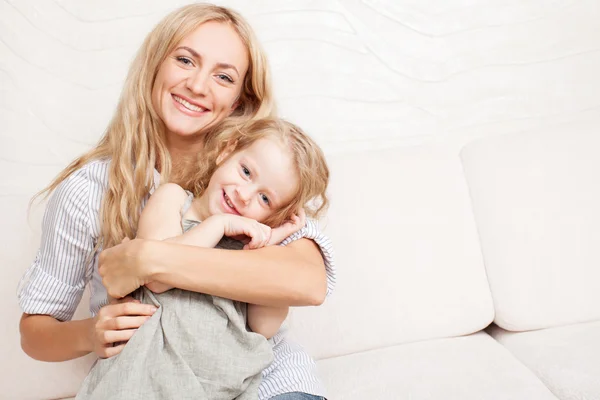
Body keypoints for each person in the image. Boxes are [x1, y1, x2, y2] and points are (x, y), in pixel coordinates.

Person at [17, 4, 335, 400]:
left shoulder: (263, 169)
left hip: (266, 382)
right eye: (185, 60)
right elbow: (35, 333)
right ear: (155, 64)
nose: (198, 86)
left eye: (223, 76)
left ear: (238, 100)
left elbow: (308, 283)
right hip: (156, 382)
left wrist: (146, 260)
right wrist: (89, 332)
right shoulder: (91, 189)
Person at [76, 117, 330, 400]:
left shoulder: (248, 247)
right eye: (246, 171)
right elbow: (158, 275)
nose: (244, 195)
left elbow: (263, 326)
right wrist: (218, 225)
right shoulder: (173, 199)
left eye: (265, 200)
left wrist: (271, 243)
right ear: (226, 151)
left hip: (220, 388)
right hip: (146, 378)